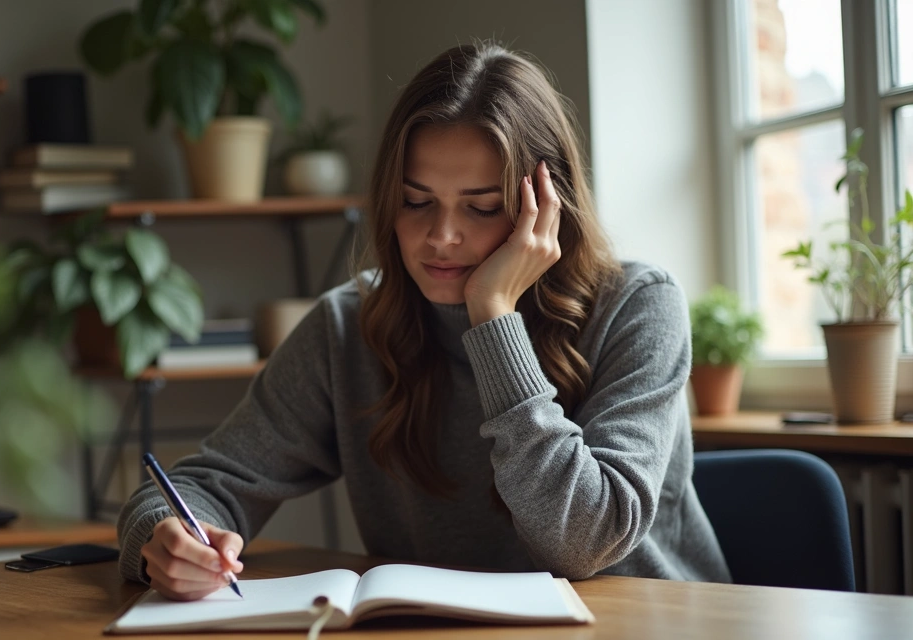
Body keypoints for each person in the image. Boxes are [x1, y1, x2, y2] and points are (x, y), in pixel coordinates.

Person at [117, 42, 732, 600]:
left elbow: (582, 543)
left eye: (481, 208)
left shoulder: (638, 306)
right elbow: (207, 482)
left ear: (545, 211)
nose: (440, 236)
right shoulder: (347, 325)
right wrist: (166, 537)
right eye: (416, 202)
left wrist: (493, 316)